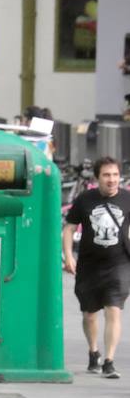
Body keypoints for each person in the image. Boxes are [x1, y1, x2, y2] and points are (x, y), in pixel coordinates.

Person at [63, 155, 130, 379]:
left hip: (119, 263)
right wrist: (68, 256)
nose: (112, 179)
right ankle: (93, 352)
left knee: (114, 309)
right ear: (97, 178)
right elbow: (69, 228)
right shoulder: (85, 199)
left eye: (115, 175)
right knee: (89, 314)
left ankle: (109, 361)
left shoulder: (127, 199)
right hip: (89, 265)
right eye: (107, 175)